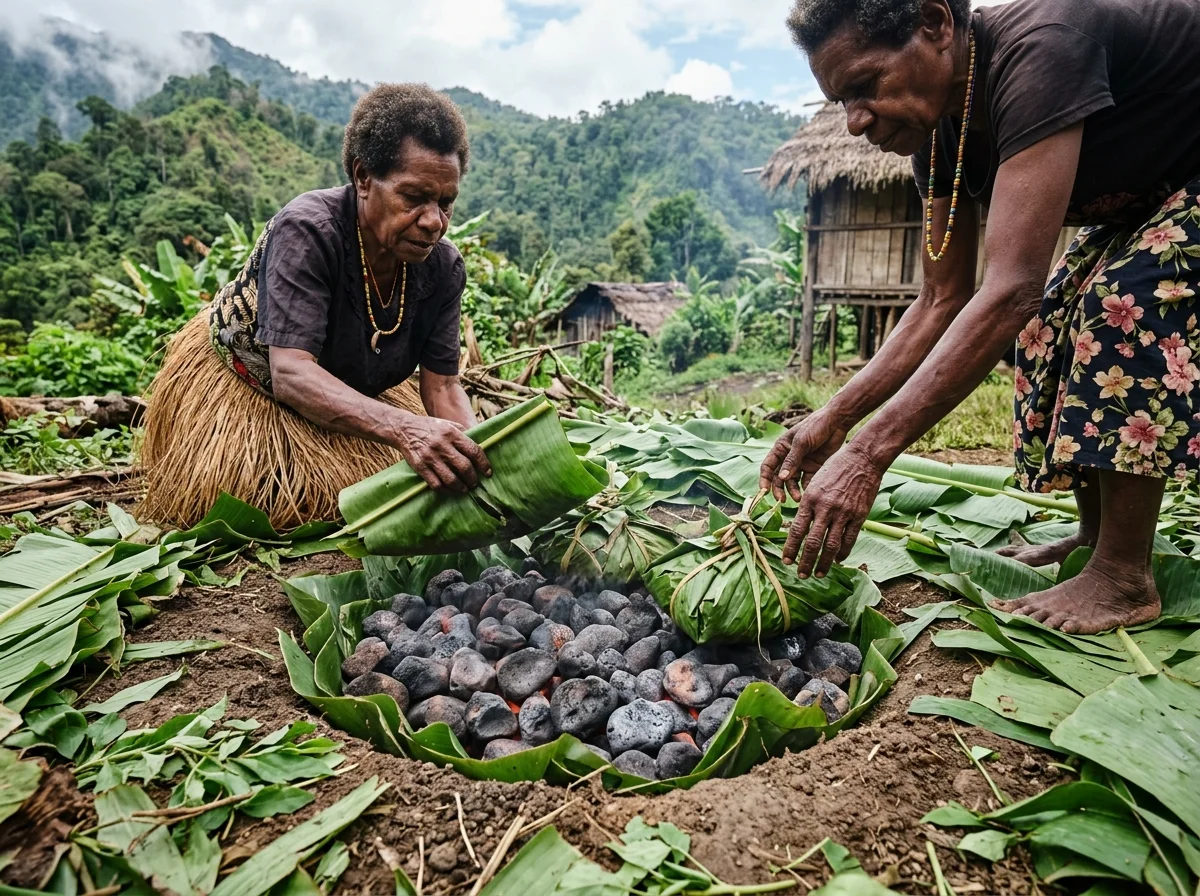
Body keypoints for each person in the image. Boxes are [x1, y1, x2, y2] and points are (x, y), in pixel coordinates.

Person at [761, 0, 1200, 634]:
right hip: (1157, 196)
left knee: (1120, 307)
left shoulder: (1041, 46)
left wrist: (867, 455)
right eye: (840, 102)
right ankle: (1094, 539)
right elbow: (941, 299)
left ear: (936, 24)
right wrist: (831, 420)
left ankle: (1122, 576)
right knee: (1051, 324)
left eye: (863, 86)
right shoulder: (939, 134)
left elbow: (1010, 288)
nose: (855, 122)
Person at [140, 84, 490, 529]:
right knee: (293, 515)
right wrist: (406, 429)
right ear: (363, 178)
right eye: (414, 197)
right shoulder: (308, 231)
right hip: (255, 383)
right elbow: (291, 374)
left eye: (446, 203)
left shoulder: (442, 267)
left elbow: (441, 387)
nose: (433, 221)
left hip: (357, 387)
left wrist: (480, 455)